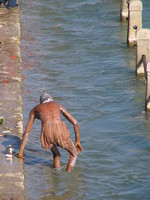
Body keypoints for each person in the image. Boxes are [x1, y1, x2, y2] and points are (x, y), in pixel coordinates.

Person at [17, 92, 83, 172]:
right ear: (51, 99)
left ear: (41, 102)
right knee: (73, 154)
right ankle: (67, 174)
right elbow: (75, 123)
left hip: (46, 133)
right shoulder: (57, 104)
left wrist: (20, 152)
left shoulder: (35, 109)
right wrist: (77, 141)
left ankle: (56, 174)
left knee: (56, 154)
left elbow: (27, 132)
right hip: (59, 130)